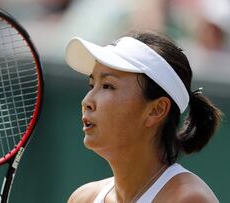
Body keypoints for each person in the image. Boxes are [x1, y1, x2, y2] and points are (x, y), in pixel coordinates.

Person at [65, 31, 223, 203]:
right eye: (92, 85)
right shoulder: (83, 198)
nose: (86, 101)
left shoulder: (187, 199)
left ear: (156, 110)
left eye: (107, 86)